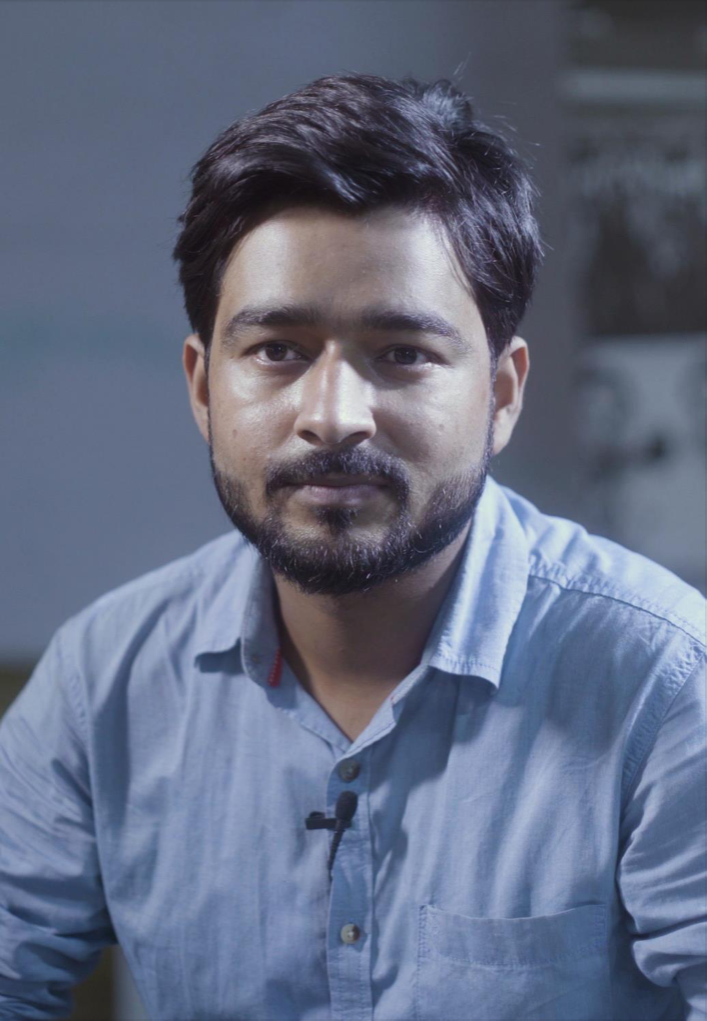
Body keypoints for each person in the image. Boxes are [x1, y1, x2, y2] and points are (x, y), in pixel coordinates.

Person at [0, 72, 704, 1021]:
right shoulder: (104, 680)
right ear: (203, 387)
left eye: (402, 353)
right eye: (277, 351)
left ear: (500, 394)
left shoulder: (664, 681)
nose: (333, 416)